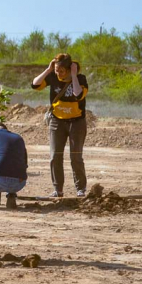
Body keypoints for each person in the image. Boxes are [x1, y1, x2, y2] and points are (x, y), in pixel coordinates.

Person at [32, 54, 89, 198]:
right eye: (56, 70)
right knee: (55, 156)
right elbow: (35, 85)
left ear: (70, 68)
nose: (58, 73)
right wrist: (48, 70)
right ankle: (58, 189)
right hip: (57, 121)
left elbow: (78, 94)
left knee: (76, 157)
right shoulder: (52, 77)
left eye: (61, 70)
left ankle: (80, 189)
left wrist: (74, 75)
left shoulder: (81, 79)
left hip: (77, 122)